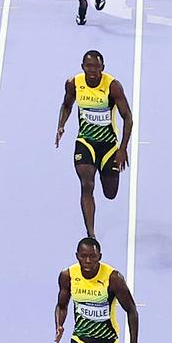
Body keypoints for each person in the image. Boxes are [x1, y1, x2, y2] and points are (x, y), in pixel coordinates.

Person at [56, 49, 135, 239]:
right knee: (87, 184)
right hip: (85, 142)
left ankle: (106, 172)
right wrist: (61, 125)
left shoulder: (113, 86)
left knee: (110, 193)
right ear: (82, 67)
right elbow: (67, 105)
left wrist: (123, 149)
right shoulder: (74, 84)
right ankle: (91, 234)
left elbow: (128, 118)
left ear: (103, 68)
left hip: (108, 146)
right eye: (88, 66)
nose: (92, 70)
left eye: (96, 67)